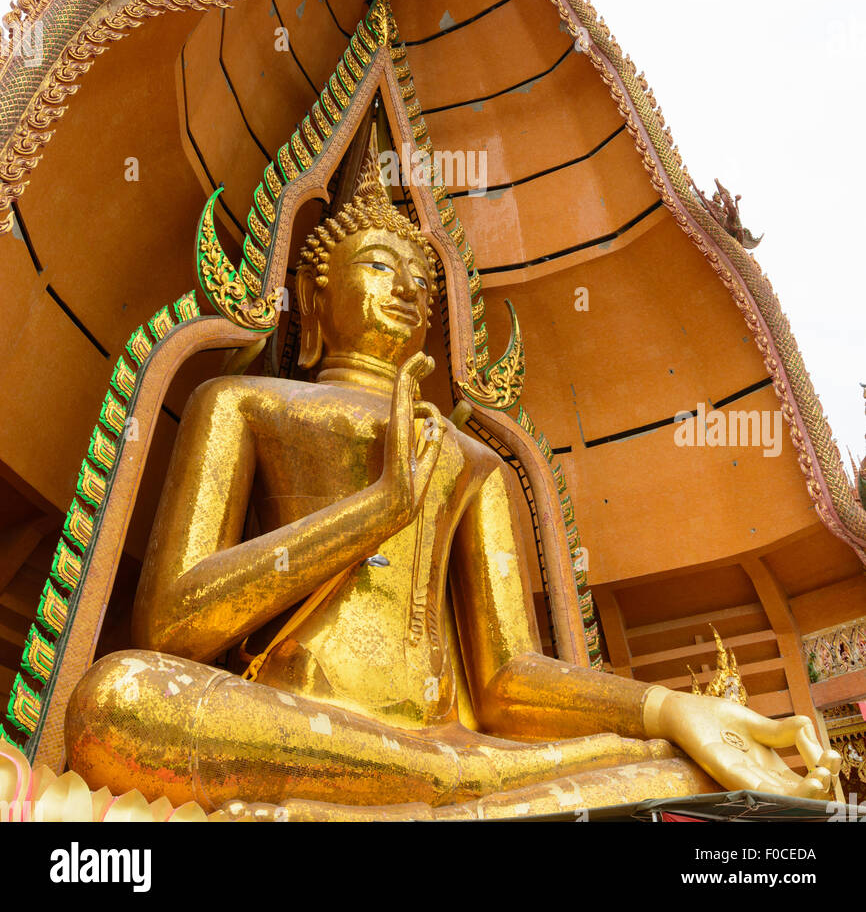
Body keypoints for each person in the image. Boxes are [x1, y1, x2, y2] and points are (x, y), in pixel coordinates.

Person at [64, 160, 839, 820]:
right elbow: (167, 624)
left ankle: (457, 781)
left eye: (418, 280)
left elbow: (508, 679)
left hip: (443, 740)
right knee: (119, 698)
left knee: (680, 765)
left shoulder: (469, 460)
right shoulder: (244, 405)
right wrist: (374, 513)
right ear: (314, 298)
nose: (404, 288)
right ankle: (467, 790)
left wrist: (671, 708)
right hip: (281, 721)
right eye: (376, 265)